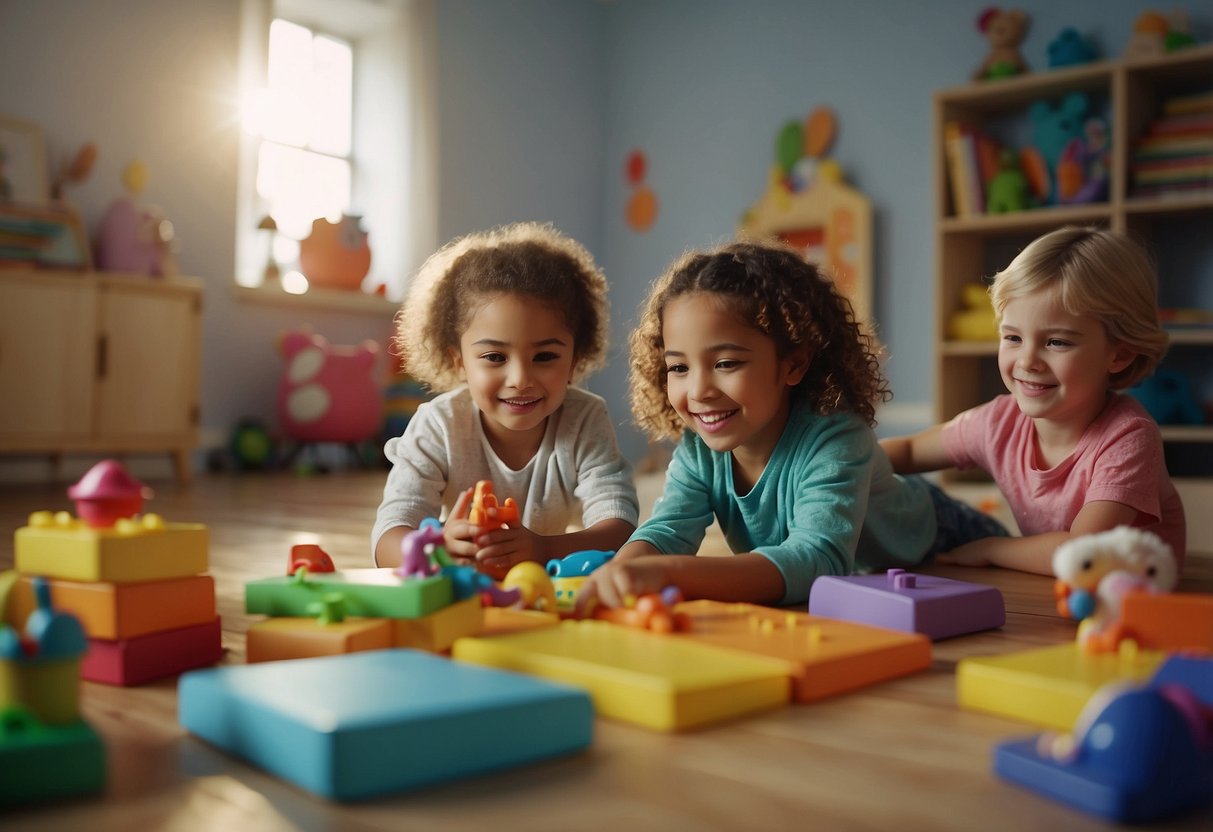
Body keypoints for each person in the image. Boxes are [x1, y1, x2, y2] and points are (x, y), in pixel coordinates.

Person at [576, 239, 1007, 612]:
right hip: (865, 584)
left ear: (794, 364)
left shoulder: (837, 436)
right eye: (679, 368)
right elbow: (668, 530)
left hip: (944, 544)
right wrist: (620, 570)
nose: (699, 390)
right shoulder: (697, 451)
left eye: (725, 363)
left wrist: (671, 574)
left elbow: (817, 558)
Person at [880, 226, 1185, 576]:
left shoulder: (1129, 438)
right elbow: (909, 451)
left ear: (1119, 354)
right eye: (1012, 337)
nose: (1027, 362)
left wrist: (992, 548)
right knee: (897, 490)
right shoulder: (999, 421)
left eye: (1056, 342)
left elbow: (1083, 553)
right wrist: (837, 464)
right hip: (1054, 586)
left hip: (1129, 599)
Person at [372, 222, 639, 576]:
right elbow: (387, 538)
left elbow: (620, 529)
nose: (520, 380)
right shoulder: (439, 424)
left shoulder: (584, 419)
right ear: (459, 361)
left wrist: (543, 548)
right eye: (495, 358)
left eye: (544, 357)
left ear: (575, 360)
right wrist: (438, 550)